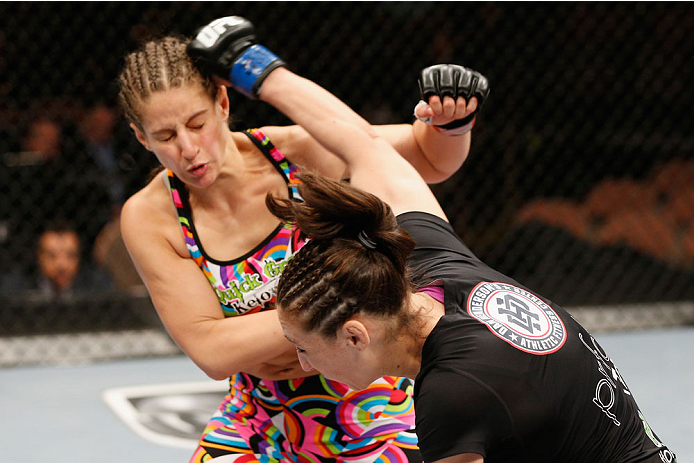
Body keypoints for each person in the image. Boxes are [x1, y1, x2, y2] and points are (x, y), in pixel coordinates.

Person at [258, 26, 678, 463]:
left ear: (355, 335)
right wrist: (257, 70)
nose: (303, 365)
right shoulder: (433, 262)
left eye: (303, 347)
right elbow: (363, 146)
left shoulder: (451, 393)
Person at [117, 16, 489, 463]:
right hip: (261, 417)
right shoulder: (150, 216)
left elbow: (430, 158)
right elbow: (212, 351)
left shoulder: (296, 153)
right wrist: (344, 298)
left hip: (372, 403)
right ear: (141, 138)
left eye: (196, 123)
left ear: (221, 101)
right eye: (165, 136)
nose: (188, 148)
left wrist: (454, 122)